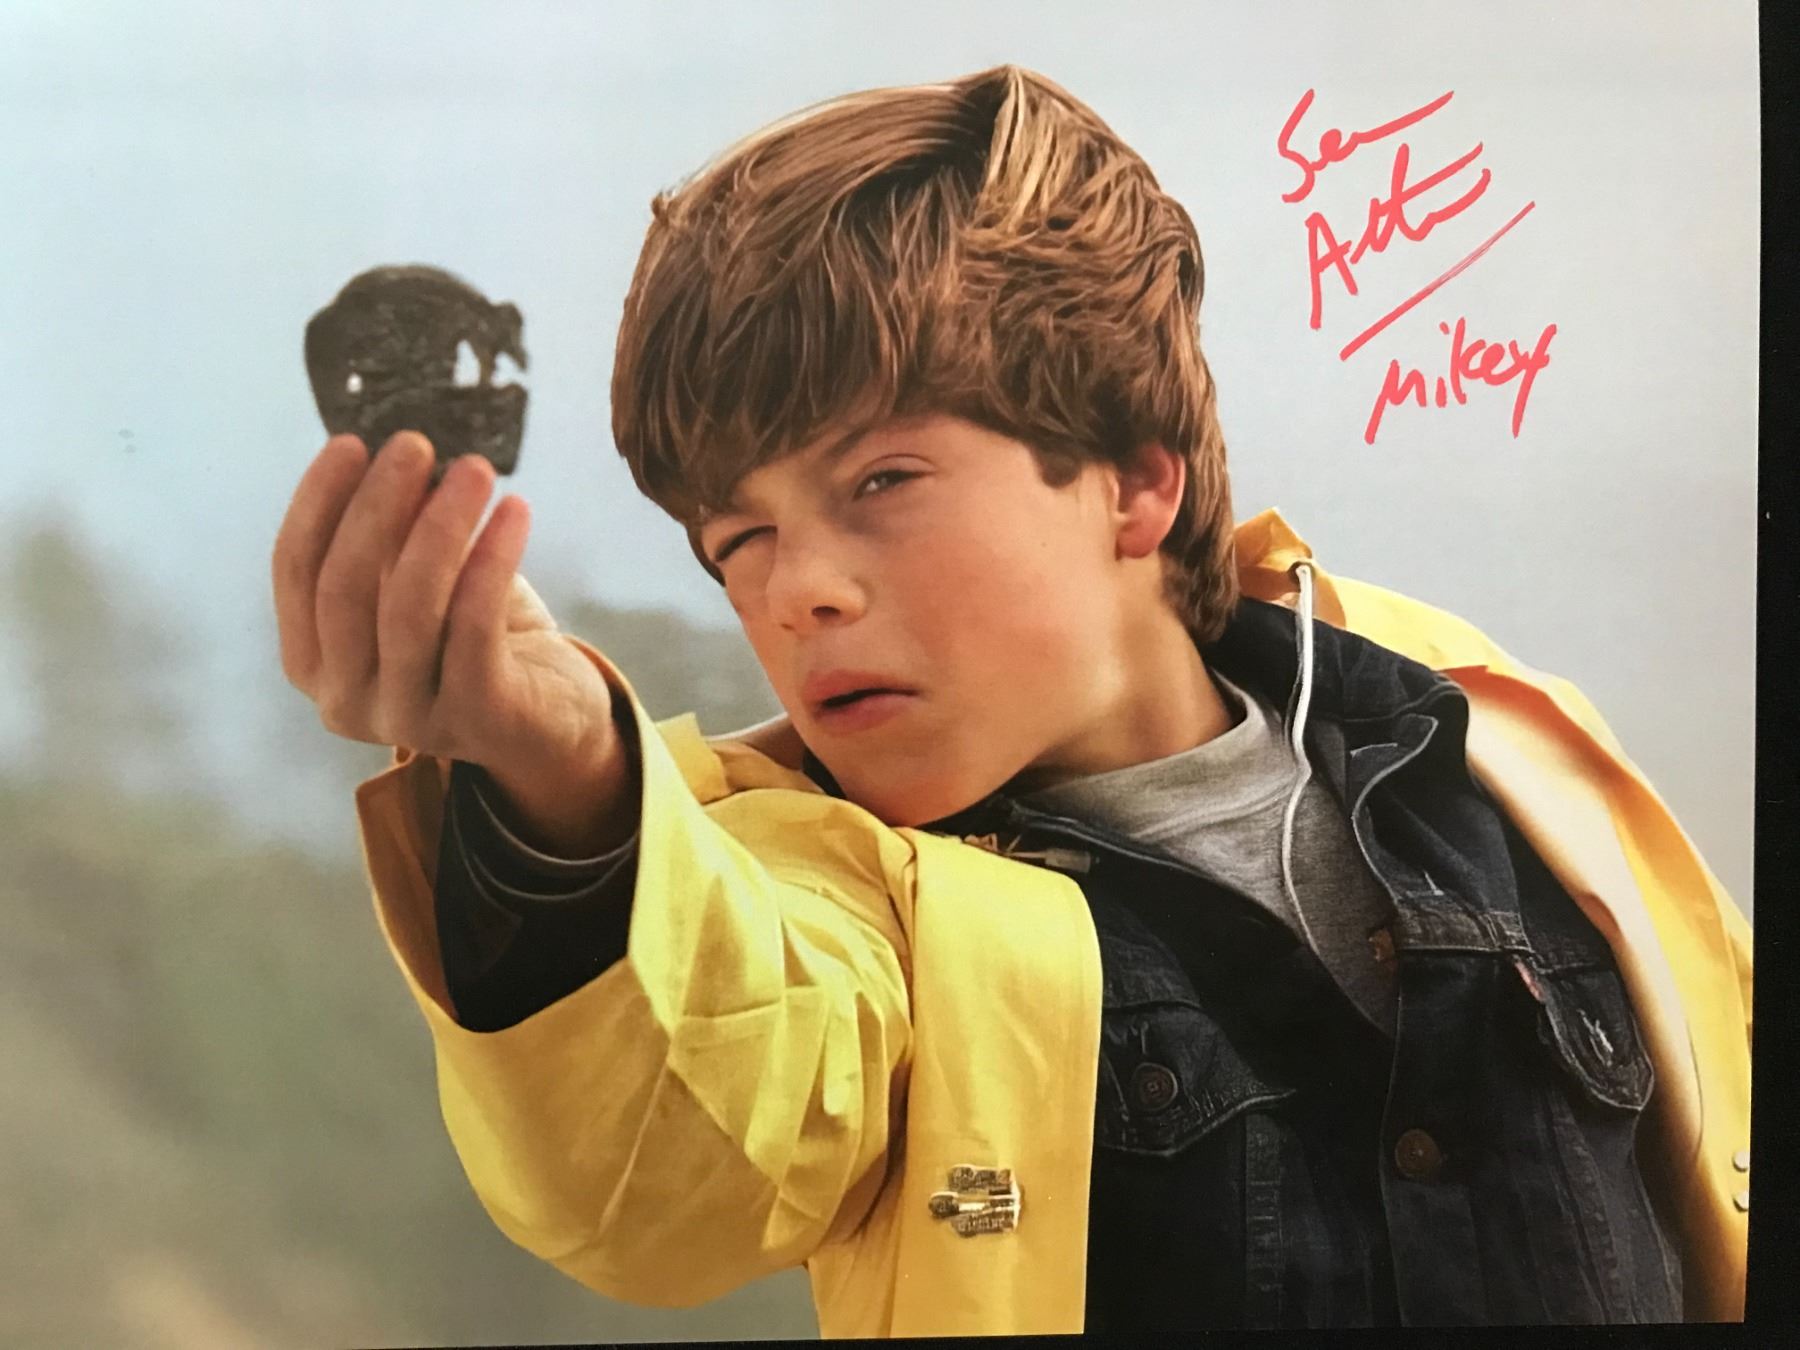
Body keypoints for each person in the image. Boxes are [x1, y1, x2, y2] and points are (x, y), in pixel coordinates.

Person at [273, 66, 1751, 1333]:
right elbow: (670, 1159)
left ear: (1135, 480)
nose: (799, 590)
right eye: (740, 541)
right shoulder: (842, 901)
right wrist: (563, 777)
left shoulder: (1484, 730)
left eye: (881, 481)